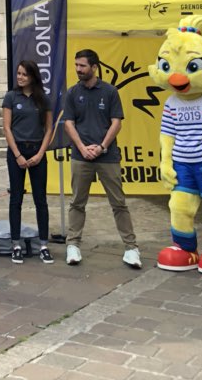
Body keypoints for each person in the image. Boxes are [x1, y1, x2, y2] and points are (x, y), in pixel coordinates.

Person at [63, 49, 141, 268]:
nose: (78, 69)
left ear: (94, 67)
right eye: (76, 65)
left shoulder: (110, 91)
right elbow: (68, 123)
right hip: (80, 156)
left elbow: (117, 122)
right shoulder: (72, 93)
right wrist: (82, 147)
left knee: (118, 203)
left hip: (107, 156)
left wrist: (102, 146)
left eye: (82, 66)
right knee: (77, 202)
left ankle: (131, 248)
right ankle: (73, 244)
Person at [2, 59, 54, 264]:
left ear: (33, 76)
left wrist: (41, 153)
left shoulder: (43, 99)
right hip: (17, 151)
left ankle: (43, 244)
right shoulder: (11, 97)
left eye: (24, 74)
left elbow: (49, 128)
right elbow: (6, 127)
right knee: (16, 198)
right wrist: (17, 155)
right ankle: (16, 244)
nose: (20, 77)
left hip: (37, 151)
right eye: (19, 73)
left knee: (40, 199)